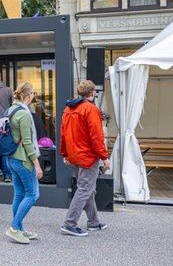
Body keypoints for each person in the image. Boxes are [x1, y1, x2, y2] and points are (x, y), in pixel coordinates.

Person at [60, 80, 110, 237]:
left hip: (74, 155)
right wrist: (104, 157)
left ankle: (93, 222)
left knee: (87, 188)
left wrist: (65, 153)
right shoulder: (91, 109)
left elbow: (63, 134)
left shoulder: (68, 109)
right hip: (87, 156)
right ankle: (69, 223)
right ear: (92, 93)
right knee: (85, 189)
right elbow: (97, 136)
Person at [4, 83, 43, 244]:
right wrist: (37, 164)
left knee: (19, 194)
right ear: (28, 95)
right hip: (23, 159)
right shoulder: (25, 114)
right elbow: (27, 142)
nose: (33, 95)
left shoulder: (10, 110)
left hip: (11, 157)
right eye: (33, 92)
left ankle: (19, 228)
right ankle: (14, 227)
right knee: (33, 194)